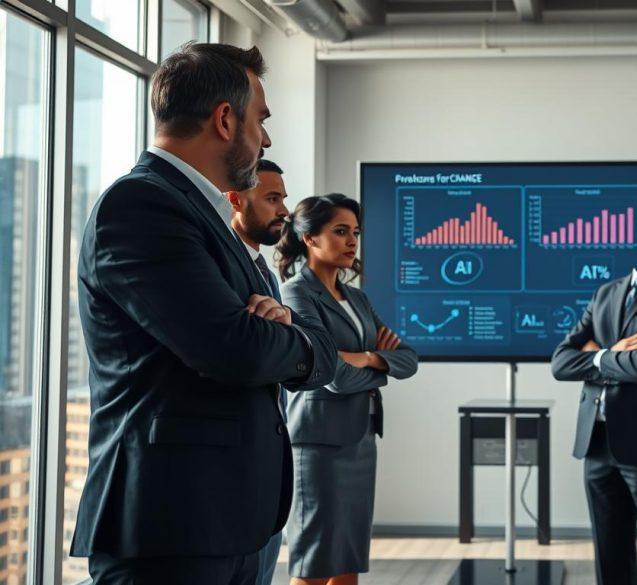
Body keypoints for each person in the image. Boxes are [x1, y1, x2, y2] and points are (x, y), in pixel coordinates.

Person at [70, 44, 338, 585]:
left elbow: (317, 350)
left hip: (228, 520)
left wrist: (285, 332)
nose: (265, 139)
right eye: (260, 120)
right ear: (224, 119)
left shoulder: (209, 217)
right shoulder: (141, 207)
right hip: (173, 525)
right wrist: (287, 339)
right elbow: (234, 350)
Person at [277, 194, 419, 585]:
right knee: (314, 559)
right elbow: (331, 375)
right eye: (340, 231)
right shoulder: (295, 293)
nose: (352, 241)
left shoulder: (356, 297)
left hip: (360, 438)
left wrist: (369, 358)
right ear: (309, 238)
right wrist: (373, 361)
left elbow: (408, 358)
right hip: (319, 444)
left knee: (348, 558)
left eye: (354, 232)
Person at [551, 254, 637, 585]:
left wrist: (595, 355)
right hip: (596, 441)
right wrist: (613, 352)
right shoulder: (605, 292)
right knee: (609, 555)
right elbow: (560, 362)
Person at [226, 157, 291, 585]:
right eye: (272, 198)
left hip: (266, 478)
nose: (284, 210)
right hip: (233, 478)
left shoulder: (263, 269)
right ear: (235, 200)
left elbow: (306, 351)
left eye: (283, 199)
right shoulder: (224, 267)